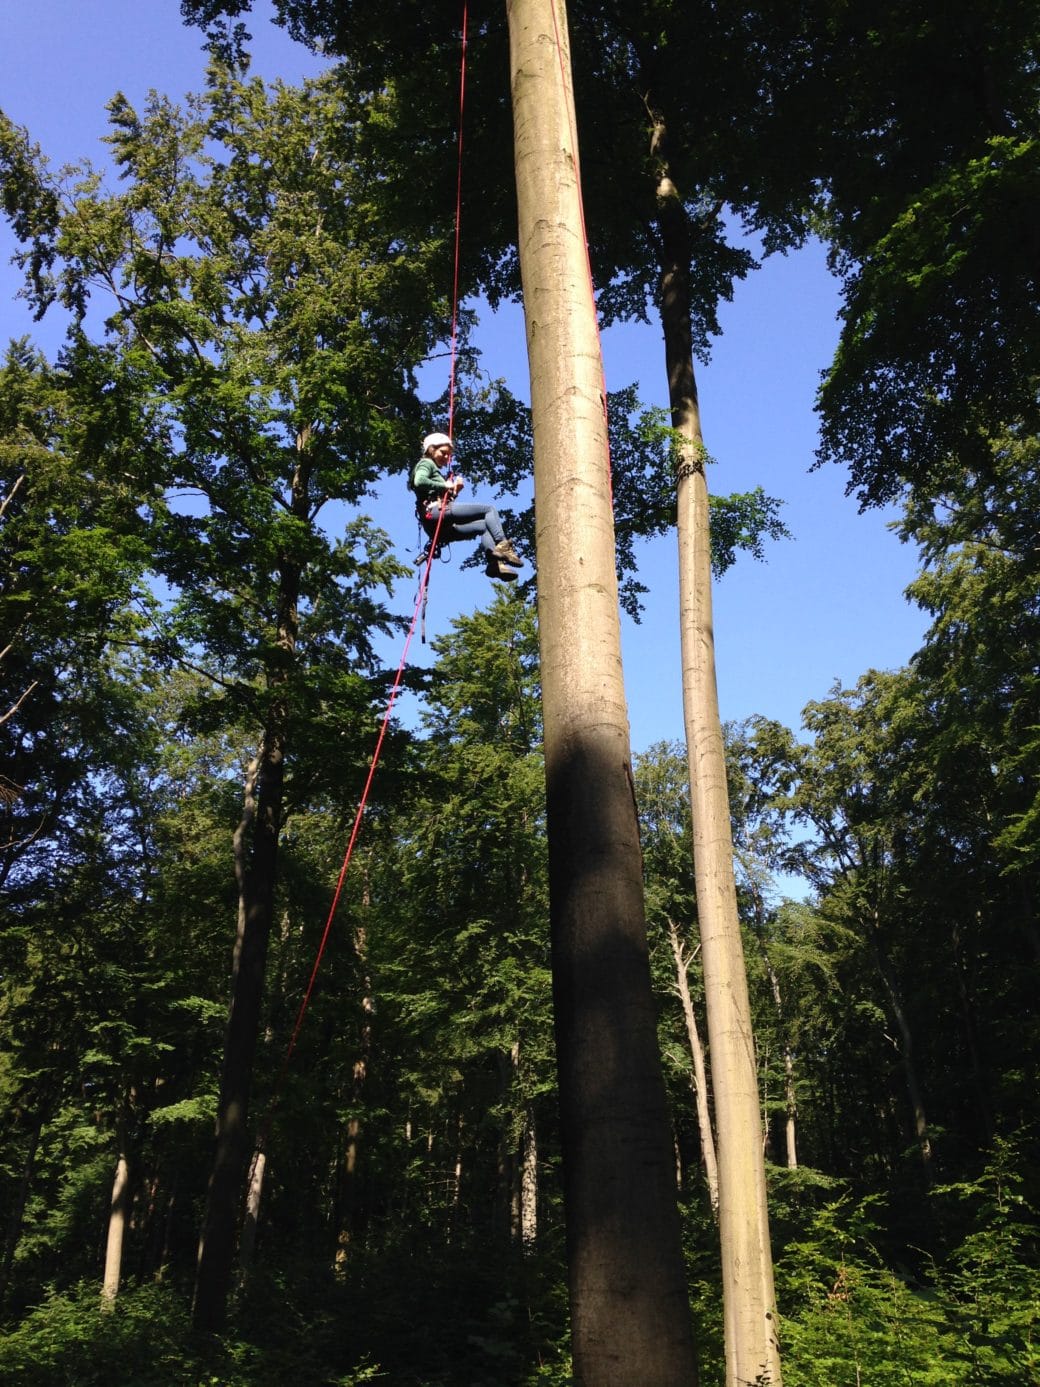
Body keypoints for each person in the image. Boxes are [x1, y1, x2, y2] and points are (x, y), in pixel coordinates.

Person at [410, 432, 524, 581]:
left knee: (483, 526)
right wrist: (444, 485)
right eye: (443, 453)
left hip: (441, 528)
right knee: (489, 510)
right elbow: (419, 481)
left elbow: (437, 493)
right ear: (431, 449)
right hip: (435, 512)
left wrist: (454, 491)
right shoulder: (426, 463)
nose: (446, 458)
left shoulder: (433, 468)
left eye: (448, 455)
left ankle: (494, 563)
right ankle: (503, 545)